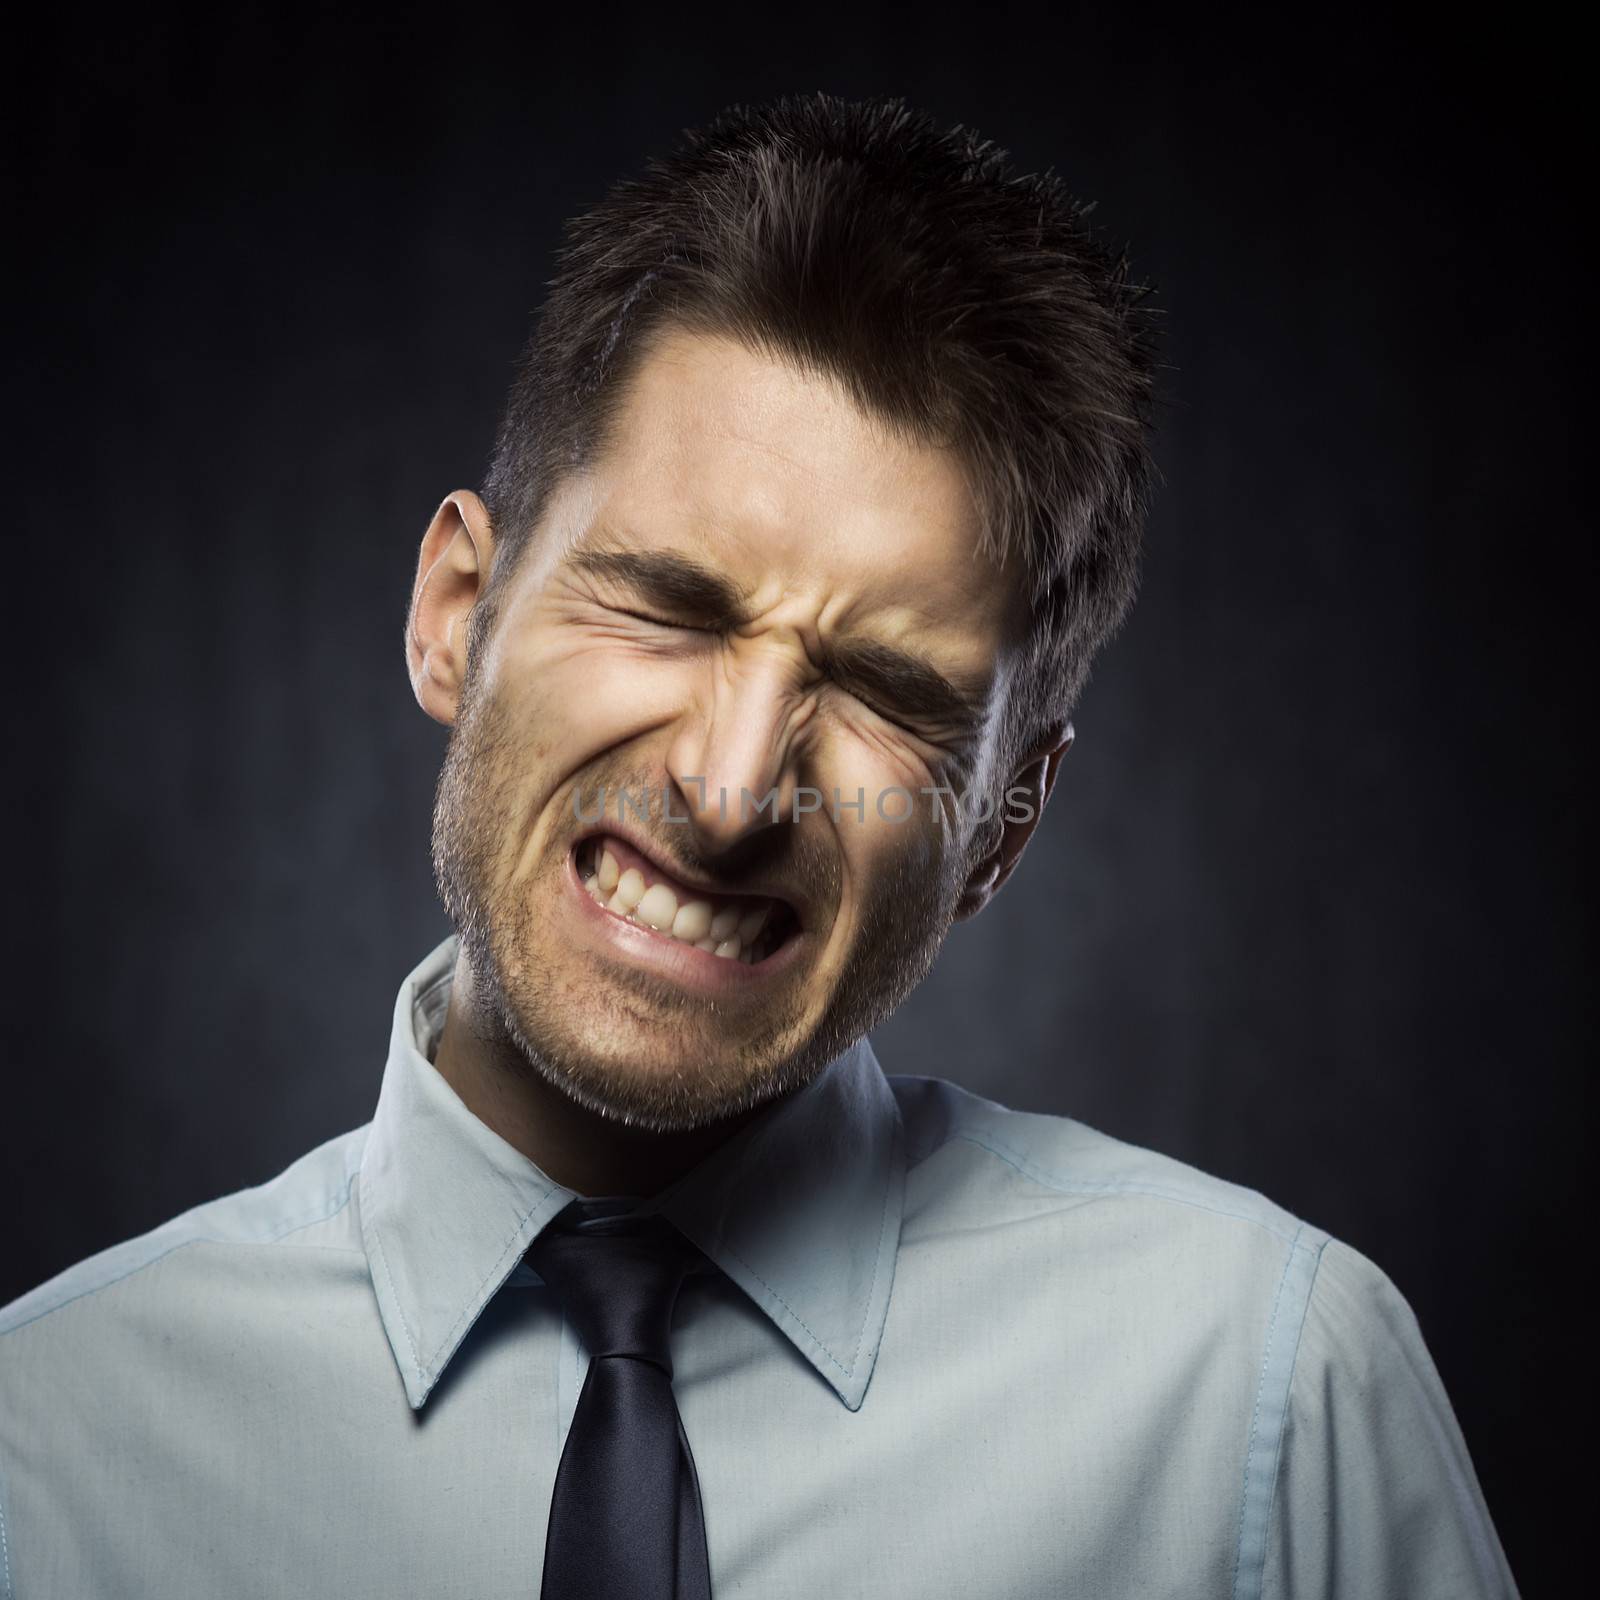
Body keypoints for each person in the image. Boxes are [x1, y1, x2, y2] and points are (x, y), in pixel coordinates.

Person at [0, 92, 1518, 1599]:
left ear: (1001, 829)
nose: (731, 792)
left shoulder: (1267, 1401)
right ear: (457, 614)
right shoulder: (45, 1452)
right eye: (666, 606)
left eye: (882, 694)